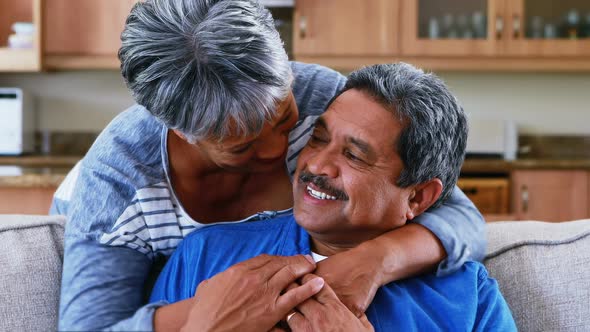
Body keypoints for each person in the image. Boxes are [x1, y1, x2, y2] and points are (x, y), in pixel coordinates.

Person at [51, 0, 485, 331]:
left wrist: (374, 260)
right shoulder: (118, 189)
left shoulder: (325, 101)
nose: (284, 151)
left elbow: (452, 210)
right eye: (242, 146)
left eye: (287, 121)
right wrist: (213, 315)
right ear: (181, 131)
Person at [150, 63, 516, 331]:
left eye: (355, 155)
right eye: (318, 139)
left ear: (417, 198)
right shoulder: (204, 255)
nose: (316, 164)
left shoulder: (466, 296)